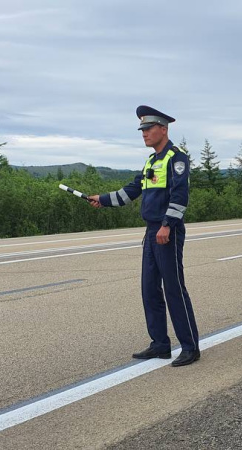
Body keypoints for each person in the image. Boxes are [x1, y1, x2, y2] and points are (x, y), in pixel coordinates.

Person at [88, 105, 200, 367]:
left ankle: (190, 347)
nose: (144, 134)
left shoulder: (176, 158)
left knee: (174, 289)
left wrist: (167, 225)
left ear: (163, 128)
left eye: (148, 129)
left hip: (166, 233)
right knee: (149, 290)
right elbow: (131, 191)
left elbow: (180, 196)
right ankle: (160, 344)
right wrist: (102, 200)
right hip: (151, 232)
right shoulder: (152, 161)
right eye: (142, 130)